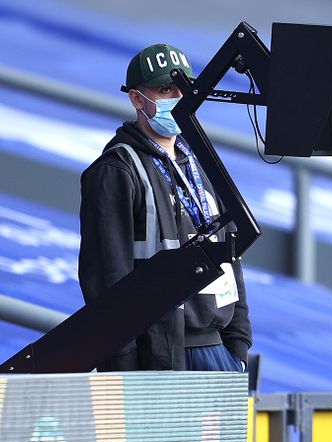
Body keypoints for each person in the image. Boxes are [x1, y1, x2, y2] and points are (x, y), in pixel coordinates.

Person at [78, 43, 252, 372]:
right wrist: (124, 369)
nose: (178, 97)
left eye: (184, 88)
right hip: (158, 356)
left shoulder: (201, 163)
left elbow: (232, 258)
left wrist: (238, 346)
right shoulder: (116, 171)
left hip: (218, 350)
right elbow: (107, 282)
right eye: (165, 90)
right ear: (136, 99)